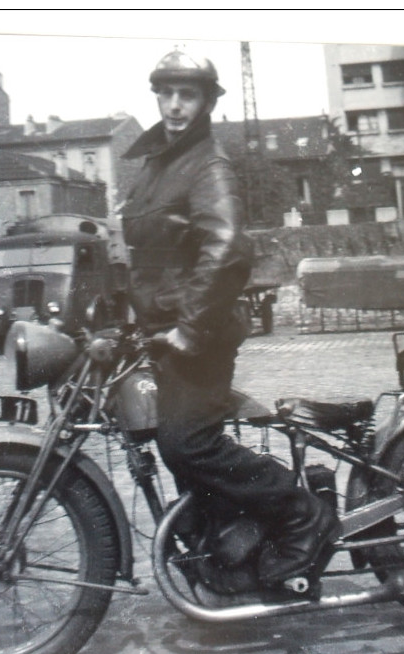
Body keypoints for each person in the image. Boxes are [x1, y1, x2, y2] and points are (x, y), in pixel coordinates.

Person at [120, 48, 340, 589]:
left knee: (187, 443)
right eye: (166, 93)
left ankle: (301, 517)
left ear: (206, 102)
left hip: (200, 334)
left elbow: (225, 251)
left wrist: (189, 329)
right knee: (165, 438)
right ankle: (226, 538)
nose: (174, 105)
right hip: (164, 332)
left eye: (187, 95)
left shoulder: (207, 165)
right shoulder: (155, 165)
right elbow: (147, 255)